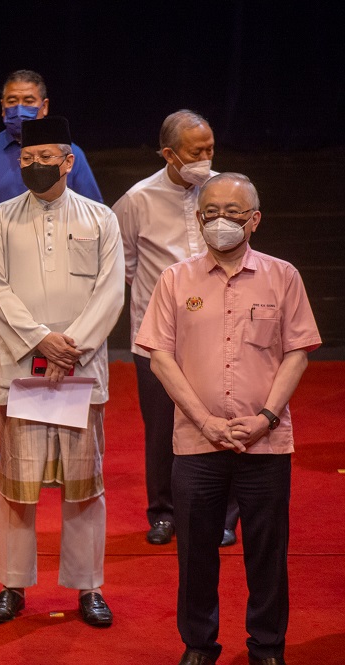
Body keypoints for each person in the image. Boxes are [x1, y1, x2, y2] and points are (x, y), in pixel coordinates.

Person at [136, 173, 320, 665]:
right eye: (211, 212)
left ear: (254, 220)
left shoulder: (284, 276)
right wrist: (204, 421)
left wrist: (264, 417)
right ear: (199, 220)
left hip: (266, 441)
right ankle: (199, 644)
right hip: (197, 443)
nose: (222, 221)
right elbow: (159, 358)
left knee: (267, 552)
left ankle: (267, 645)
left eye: (233, 213)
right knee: (195, 553)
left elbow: (298, 352)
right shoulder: (176, 279)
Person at [0, 116, 124, 628]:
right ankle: (13, 587)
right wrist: (41, 340)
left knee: (85, 487)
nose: (34, 166)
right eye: (26, 160)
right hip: (23, 371)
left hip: (80, 373)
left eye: (45, 158)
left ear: (69, 161)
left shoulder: (101, 218)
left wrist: (72, 346)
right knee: (16, 486)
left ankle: (88, 588)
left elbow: (111, 293)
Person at [0, 70, 102, 484]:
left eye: (28, 99)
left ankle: (61, 453)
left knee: (61, 363)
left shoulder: (73, 155)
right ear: (1, 107)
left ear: (45, 105)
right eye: (11, 100)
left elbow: (91, 213)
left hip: (59, 285)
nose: (20, 107)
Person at [113, 110, 239, 546]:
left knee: (224, 419)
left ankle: (224, 516)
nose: (205, 157)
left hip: (222, 331)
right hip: (159, 340)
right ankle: (164, 512)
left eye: (210, 149)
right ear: (169, 154)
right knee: (163, 428)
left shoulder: (227, 190)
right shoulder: (137, 200)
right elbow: (123, 267)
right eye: (195, 151)